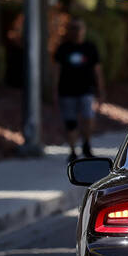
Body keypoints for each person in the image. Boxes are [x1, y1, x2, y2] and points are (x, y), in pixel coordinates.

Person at [52, 18, 104, 161]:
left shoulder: (90, 48)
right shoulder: (63, 49)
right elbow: (57, 70)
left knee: (88, 118)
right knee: (71, 122)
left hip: (87, 90)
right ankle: (73, 150)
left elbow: (97, 70)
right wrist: (54, 90)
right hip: (67, 91)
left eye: (79, 28)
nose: (76, 31)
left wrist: (100, 91)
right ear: (69, 31)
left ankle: (86, 144)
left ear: (84, 30)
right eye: (73, 28)